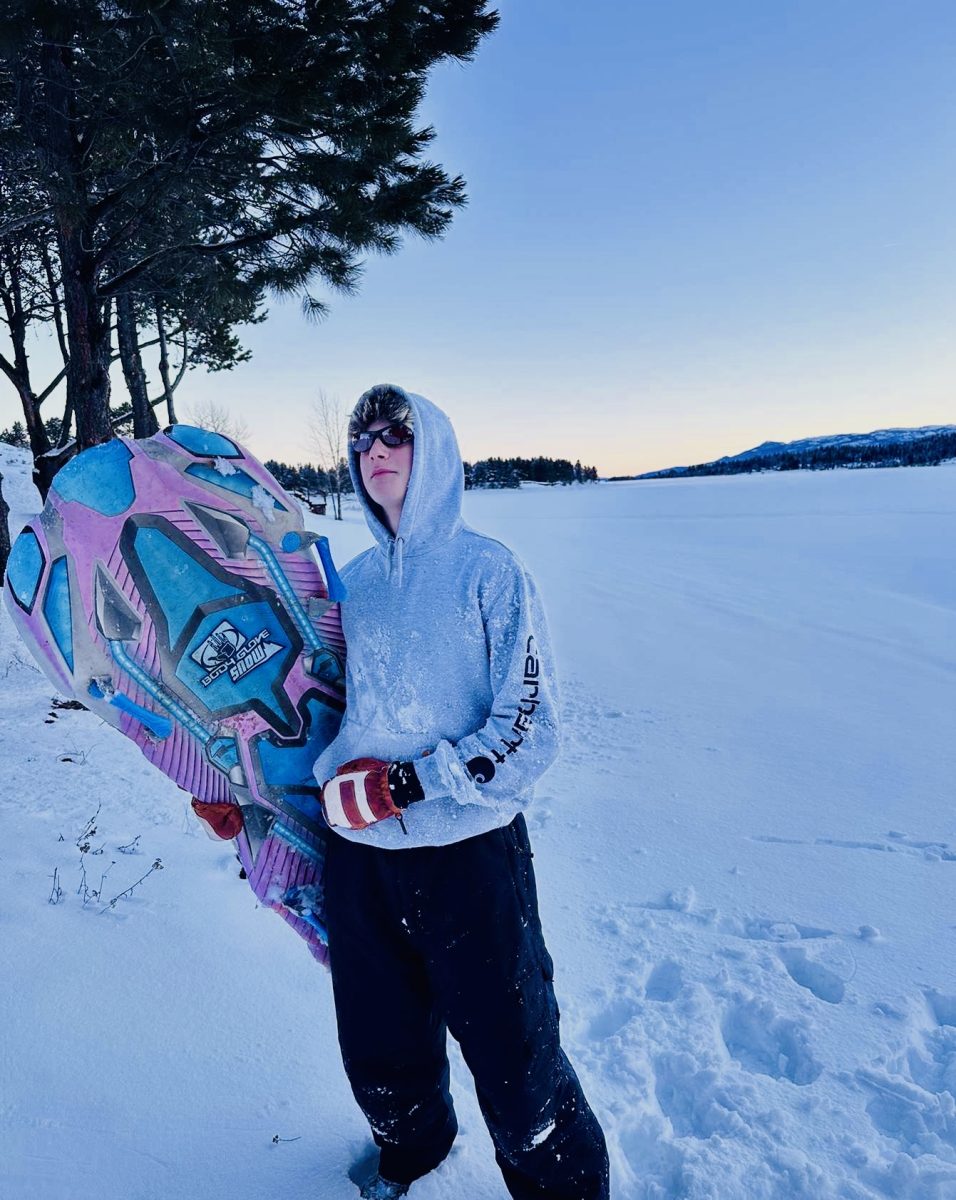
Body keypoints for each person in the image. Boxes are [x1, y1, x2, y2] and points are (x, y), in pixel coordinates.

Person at [315, 385, 609, 1200]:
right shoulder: (355, 583)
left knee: (519, 1065)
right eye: (362, 438)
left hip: (468, 856)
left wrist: (408, 784)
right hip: (362, 862)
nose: (375, 450)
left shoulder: (490, 571)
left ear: (433, 449)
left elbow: (530, 728)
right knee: (381, 1052)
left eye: (395, 435)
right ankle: (415, 1167)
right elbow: (326, 711)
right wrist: (248, 790)